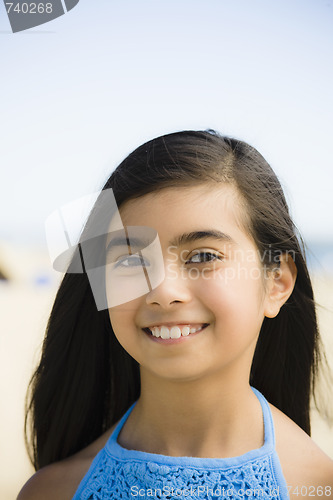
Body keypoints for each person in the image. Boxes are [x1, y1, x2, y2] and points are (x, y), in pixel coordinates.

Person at [17, 130, 333, 500]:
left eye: (203, 256)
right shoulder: (52, 492)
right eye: (132, 259)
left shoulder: (317, 487)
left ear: (276, 282)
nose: (162, 293)